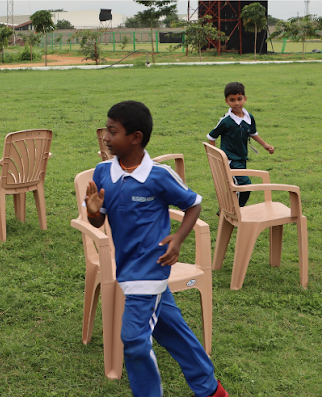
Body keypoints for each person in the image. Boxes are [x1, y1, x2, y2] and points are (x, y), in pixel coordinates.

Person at [85, 102, 229, 397]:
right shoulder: (102, 173)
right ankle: (210, 389)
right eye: (106, 131)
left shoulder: (158, 176)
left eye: (113, 132)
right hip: (126, 267)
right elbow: (99, 220)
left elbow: (193, 204)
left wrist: (177, 239)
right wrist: (93, 212)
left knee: (135, 339)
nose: (106, 138)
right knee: (171, 330)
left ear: (135, 138)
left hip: (151, 267)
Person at [206, 82, 274, 206]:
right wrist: (217, 157)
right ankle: (237, 211)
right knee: (245, 186)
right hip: (230, 161)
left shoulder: (249, 117)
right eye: (232, 100)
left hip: (242, 159)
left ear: (245, 99)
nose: (236, 103)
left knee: (235, 186)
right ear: (227, 101)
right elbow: (211, 137)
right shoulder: (226, 121)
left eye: (239, 99)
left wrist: (265, 145)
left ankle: (225, 211)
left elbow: (252, 133)